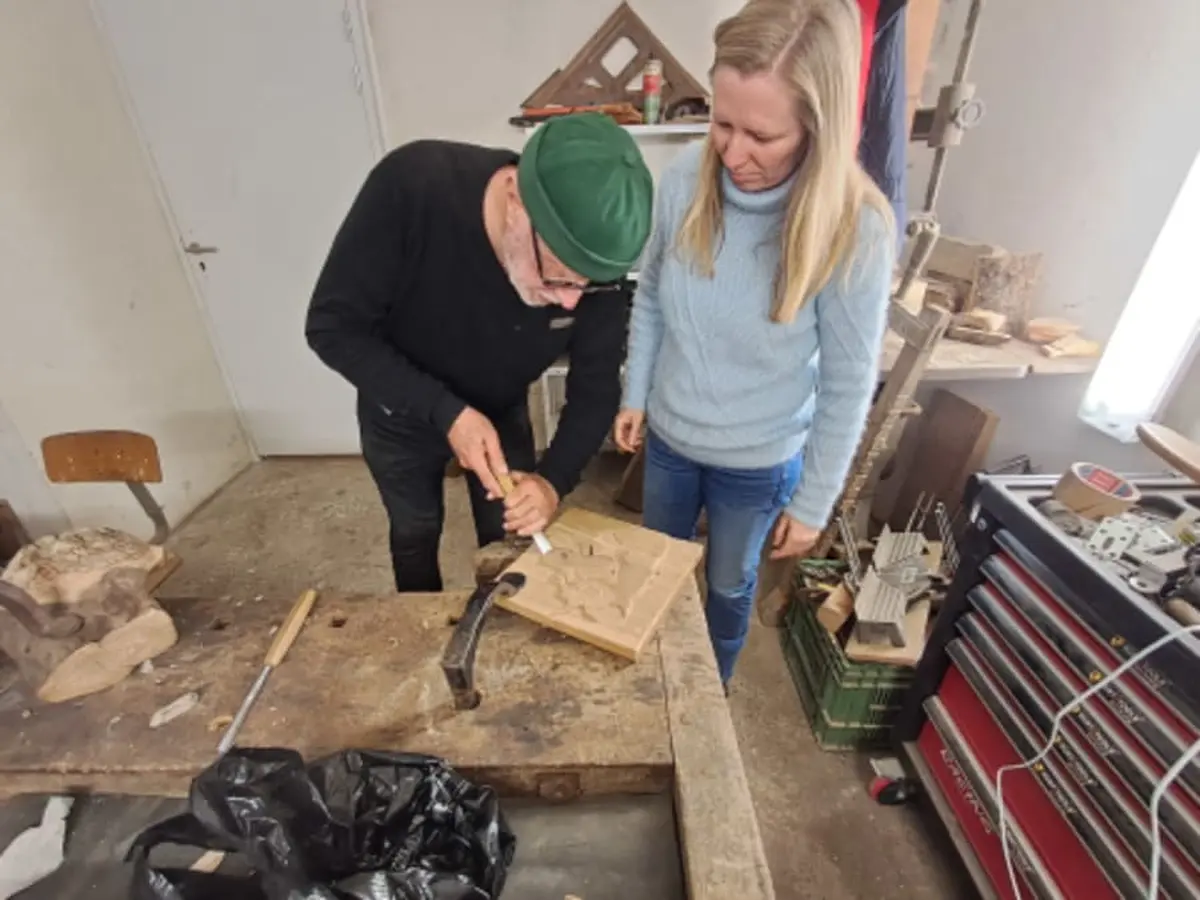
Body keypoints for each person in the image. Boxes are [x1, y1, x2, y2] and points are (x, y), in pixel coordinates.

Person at [613, 0, 895, 687]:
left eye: (761, 137)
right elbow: (649, 293)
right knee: (655, 576)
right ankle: (655, 693)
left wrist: (814, 500)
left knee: (727, 591)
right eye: (721, 122)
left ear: (814, 128)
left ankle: (708, 700)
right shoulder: (685, 178)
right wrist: (637, 391)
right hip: (673, 442)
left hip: (759, 462)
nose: (733, 153)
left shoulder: (855, 229)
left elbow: (848, 383)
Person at [307, 113, 654, 592]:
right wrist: (447, 413)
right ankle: (420, 631)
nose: (572, 301)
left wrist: (551, 482)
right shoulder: (413, 188)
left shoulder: (597, 263)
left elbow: (594, 392)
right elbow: (332, 327)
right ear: (516, 199)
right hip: (400, 407)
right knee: (416, 528)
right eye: (557, 276)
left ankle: (494, 637)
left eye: (588, 287)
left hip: (500, 405)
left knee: (506, 536)